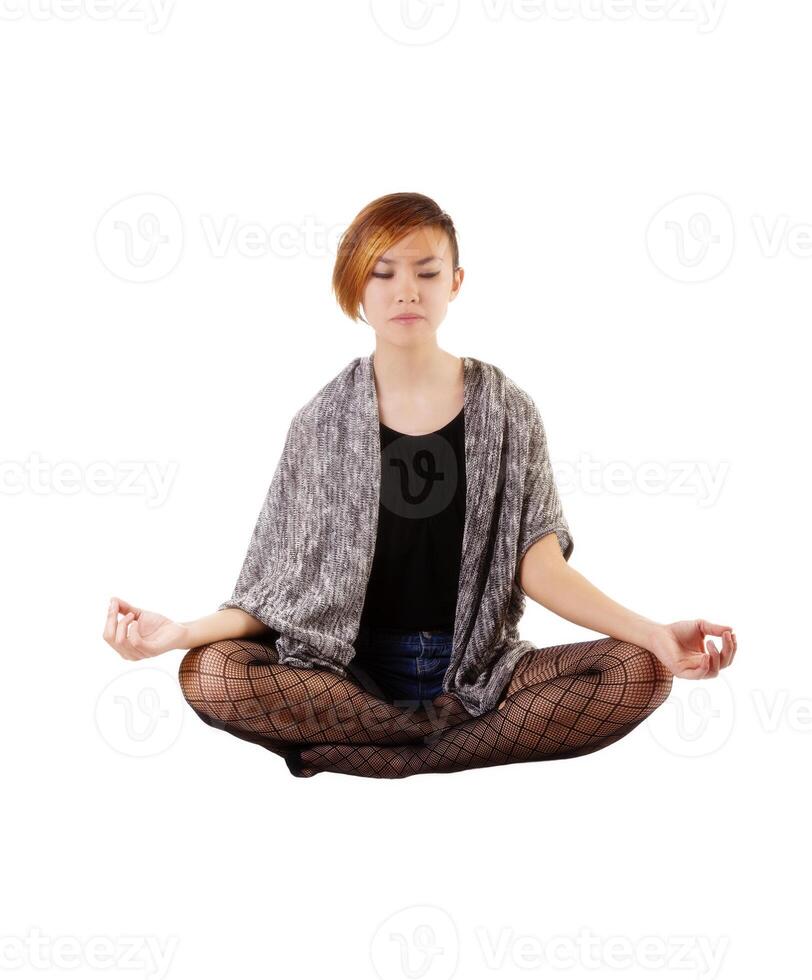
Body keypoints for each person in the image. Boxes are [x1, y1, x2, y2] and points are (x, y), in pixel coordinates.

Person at [102, 192, 737, 779]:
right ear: (357, 286)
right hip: (348, 675)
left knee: (639, 672)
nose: (406, 289)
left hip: (478, 672)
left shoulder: (507, 409)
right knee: (211, 676)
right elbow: (271, 596)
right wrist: (179, 631)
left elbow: (538, 567)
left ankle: (398, 754)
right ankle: (425, 738)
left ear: (455, 283)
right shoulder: (318, 424)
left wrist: (652, 632)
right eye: (383, 272)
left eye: (427, 272)